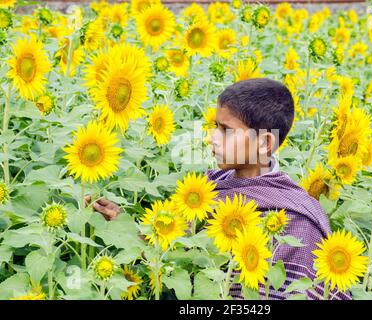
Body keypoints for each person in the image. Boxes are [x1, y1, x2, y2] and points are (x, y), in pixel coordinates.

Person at [86, 78, 351, 300]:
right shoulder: (210, 186)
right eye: (215, 127)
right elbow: (171, 253)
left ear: (265, 143)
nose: (212, 138)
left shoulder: (297, 218)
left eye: (226, 130)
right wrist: (125, 226)